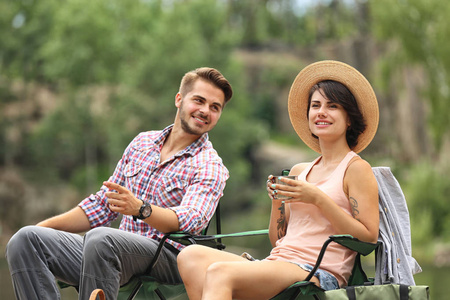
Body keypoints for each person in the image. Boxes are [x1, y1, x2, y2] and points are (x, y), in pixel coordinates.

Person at [5, 67, 233, 300]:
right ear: (179, 99)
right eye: (199, 101)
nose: (205, 111)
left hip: (170, 259)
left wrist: (141, 209)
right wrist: (42, 228)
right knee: (25, 240)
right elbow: (102, 205)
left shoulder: (210, 164)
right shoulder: (142, 143)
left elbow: (191, 221)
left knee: (102, 239)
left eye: (215, 107)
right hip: (111, 254)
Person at [177, 60, 380, 299]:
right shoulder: (300, 170)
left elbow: (368, 238)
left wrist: (317, 198)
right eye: (315, 105)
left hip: (319, 273)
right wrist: (277, 202)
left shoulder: (355, 168)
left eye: (332, 106)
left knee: (220, 273)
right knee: (189, 257)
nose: (321, 112)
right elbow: (278, 240)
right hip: (280, 261)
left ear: (349, 119)